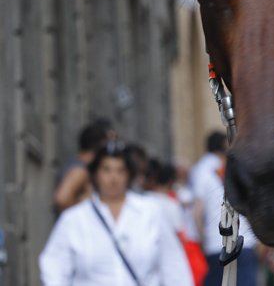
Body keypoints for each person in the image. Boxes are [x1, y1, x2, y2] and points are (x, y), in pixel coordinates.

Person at [39, 143, 194, 286]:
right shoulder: (75, 219)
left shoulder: (150, 212)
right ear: (95, 174)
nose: (113, 177)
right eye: (106, 170)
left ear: (129, 175)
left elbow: (174, 265)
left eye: (120, 170)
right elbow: (54, 267)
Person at [190, 132, 258, 286]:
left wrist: (203, 241)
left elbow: (197, 212)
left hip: (216, 245)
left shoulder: (200, 170)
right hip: (243, 242)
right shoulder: (235, 165)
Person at [54, 119, 113, 213]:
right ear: (100, 146)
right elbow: (62, 200)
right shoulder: (80, 170)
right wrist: (84, 216)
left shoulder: (79, 166)